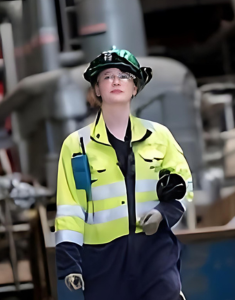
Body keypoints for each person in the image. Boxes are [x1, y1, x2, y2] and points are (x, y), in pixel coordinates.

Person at [55, 47, 193, 300]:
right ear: (96, 89)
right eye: (107, 76)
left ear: (136, 87)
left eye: (125, 75)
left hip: (154, 252)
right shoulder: (76, 145)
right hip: (103, 261)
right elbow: (70, 207)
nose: (116, 81)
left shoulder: (158, 137)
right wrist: (69, 261)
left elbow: (183, 184)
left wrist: (163, 214)